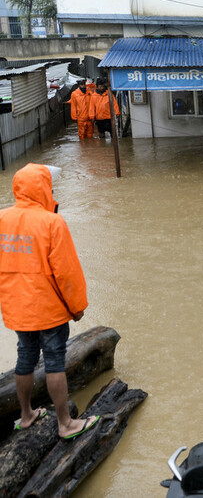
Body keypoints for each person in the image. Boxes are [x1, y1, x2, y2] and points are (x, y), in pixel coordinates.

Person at [0, 164, 99, 439]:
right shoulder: (51, 222)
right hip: (49, 309)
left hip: (17, 307)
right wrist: (77, 307)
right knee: (55, 361)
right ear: (43, 189)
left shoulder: (1, 219)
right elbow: (67, 272)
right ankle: (65, 424)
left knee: (25, 357)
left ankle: (26, 414)